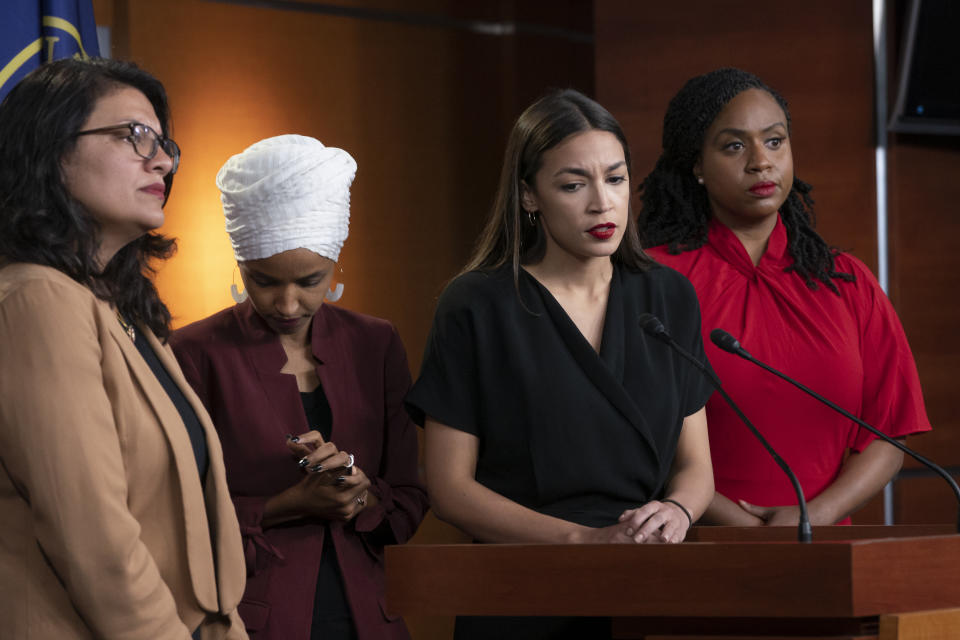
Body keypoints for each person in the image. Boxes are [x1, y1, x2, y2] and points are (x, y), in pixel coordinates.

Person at [405, 89, 715, 639]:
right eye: (574, 185)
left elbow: (695, 467)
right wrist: (582, 541)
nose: (603, 203)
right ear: (529, 196)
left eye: (615, 179)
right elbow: (450, 488)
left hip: (646, 585)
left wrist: (679, 512)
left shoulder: (669, 296)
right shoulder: (476, 304)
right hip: (520, 591)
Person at [0, 58, 247, 638]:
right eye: (134, 136)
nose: (161, 160)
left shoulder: (121, 310)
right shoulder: (37, 300)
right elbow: (96, 543)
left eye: (164, 145)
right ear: (50, 150)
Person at [638, 67, 931, 527]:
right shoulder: (653, 282)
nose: (761, 161)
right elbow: (635, 437)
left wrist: (813, 517)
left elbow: (890, 431)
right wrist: (742, 528)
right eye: (735, 146)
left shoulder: (847, 281)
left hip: (827, 555)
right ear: (696, 164)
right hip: (695, 548)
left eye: (774, 141)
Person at [170, 135, 428, 640]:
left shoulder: (375, 343)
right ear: (240, 263)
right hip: (251, 619)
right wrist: (290, 503)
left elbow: (409, 497)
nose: (287, 305)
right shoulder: (193, 353)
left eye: (310, 281)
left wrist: (361, 495)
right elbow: (174, 518)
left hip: (370, 618)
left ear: (336, 264)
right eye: (263, 281)